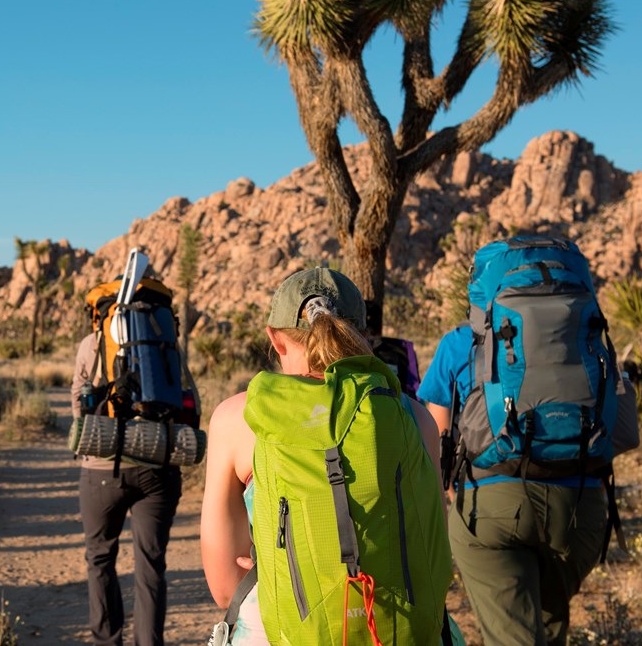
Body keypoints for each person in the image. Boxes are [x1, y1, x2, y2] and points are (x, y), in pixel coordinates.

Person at [200, 267, 444, 644]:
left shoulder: (240, 419)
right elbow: (432, 545)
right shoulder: (413, 415)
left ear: (275, 341)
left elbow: (224, 588)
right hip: (400, 632)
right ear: (364, 335)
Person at [419, 323, 608, 646]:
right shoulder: (583, 336)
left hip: (490, 505)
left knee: (514, 634)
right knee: (549, 626)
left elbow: (438, 442)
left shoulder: (461, 342)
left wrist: (451, 495)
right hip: (580, 503)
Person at [72, 326, 183, 646]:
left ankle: (108, 641)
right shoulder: (163, 339)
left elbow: (78, 404)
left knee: (100, 557)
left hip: (102, 469)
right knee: (151, 563)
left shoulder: (92, 343)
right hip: (157, 467)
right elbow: (186, 397)